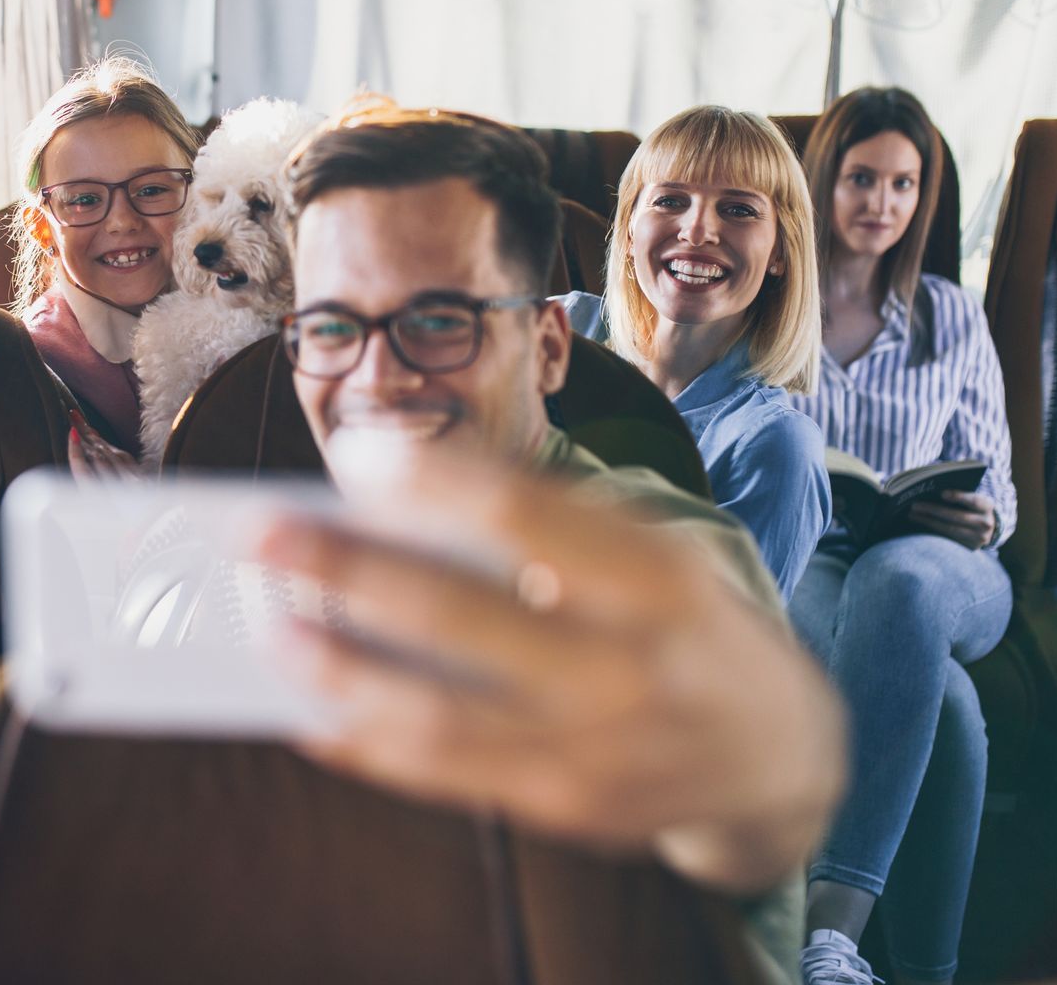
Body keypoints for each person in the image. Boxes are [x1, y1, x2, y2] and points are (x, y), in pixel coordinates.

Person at [262, 100, 845, 976]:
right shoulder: (269, 562)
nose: (376, 375)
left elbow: (727, 724)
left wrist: (758, 768)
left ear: (546, 346)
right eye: (335, 327)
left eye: (439, 319)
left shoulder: (662, 547)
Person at [783, 87, 1016, 985]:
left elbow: (997, 483)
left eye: (905, 184)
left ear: (926, 198)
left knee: (905, 584)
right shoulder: (773, 310)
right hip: (816, 559)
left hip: (951, 567)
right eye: (861, 178)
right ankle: (926, 972)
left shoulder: (951, 315)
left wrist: (982, 512)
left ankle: (827, 934)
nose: (882, 202)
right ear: (823, 183)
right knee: (947, 706)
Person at [560, 106, 830, 597]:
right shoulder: (556, 329)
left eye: (739, 209)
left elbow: (715, 657)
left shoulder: (773, 448)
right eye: (670, 200)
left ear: (780, 254)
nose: (698, 231)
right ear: (626, 231)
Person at [8, 56, 206, 463]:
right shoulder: (34, 369)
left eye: (151, 190)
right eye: (83, 199)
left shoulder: (248, 309)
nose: (121, 221)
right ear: (41, 227)